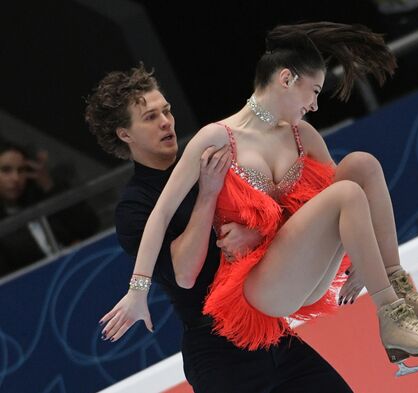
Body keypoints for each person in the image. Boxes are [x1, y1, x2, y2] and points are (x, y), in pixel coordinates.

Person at [99, 21, 418, 377]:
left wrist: (363, 265)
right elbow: (161, 216)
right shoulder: (215, 139)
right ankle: (391, 318)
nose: (316, 105)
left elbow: (337, 214)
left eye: (167, 110)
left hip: (297, 270)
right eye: (314, 91)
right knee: (346, 192)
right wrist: (137, 290)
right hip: (256, 291)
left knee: (361, 166)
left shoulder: (302, 134)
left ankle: (399, 291)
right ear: (286, 79)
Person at [85, 63, 356, 391]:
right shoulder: (135, 207)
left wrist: (257, 233)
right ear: (124, 134)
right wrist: (207, 196)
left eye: (166, 111)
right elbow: (185, 273)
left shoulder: (207, 156)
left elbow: (281, 222)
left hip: (270, 332)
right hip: (219, 355)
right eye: (150, 118)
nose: (165, 122)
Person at [0, 138, 100, 276]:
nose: (16, 178)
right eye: (6, 170)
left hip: (80, 270)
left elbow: (89, 225)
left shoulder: (42, 196)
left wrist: (49, 186)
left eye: (21, 170)